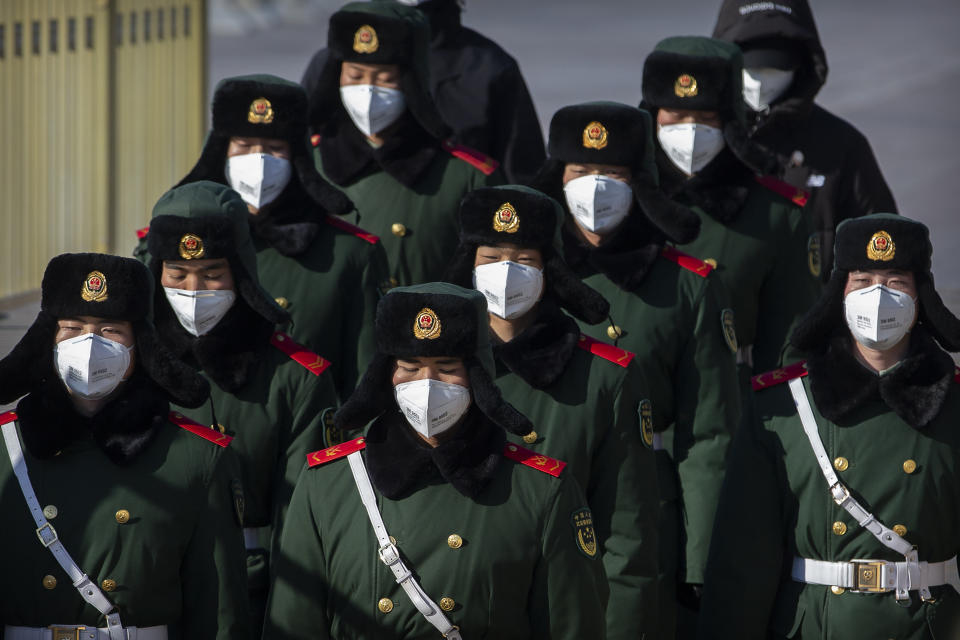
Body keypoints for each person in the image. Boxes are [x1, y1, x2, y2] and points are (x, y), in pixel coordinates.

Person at [264, 282, 608, 639]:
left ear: (479, 378)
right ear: (387, 375)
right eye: (410, 367)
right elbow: (294, 622)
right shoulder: (328, 484)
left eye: (446, 368)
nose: (427, 384)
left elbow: (573, 626)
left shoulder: (539, 490)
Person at [531, 100, 739, 637]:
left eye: (613, 174)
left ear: (640, 181)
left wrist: (701, 562)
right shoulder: (518, 278)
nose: (595, 187)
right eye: (581, 172)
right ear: (557, 178)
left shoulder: (688, 286)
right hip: (531, 511)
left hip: (645, 520)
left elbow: (710, 435)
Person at [699, 214, 960, 638]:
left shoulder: (953, 404)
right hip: (818, 625)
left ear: (922, 296)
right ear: (840, 291)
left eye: (896, 282)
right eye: (863, 280)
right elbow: (742, 561)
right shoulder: (783, 406)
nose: (878, 297)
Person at [444, 184, 661, 637]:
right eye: (490, 258)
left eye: (523, 260)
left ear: (549, 269)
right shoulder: (427, 373)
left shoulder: (605, 378)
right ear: (469, 265)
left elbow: (627, 533)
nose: (506, 273)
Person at [0, 253, 249, 639]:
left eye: (110, 330)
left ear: (141, 343)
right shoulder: (5, 448)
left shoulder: (197, 458)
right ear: (47, 339)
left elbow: (218, 613)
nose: (88, 344)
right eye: (72, 328)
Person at [143, 181, 339, 635]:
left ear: (241, 271)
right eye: (177, 273)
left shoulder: (296, 379)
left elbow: (305, 524)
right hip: (146, 599)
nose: (195, 289)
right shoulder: (130, 365)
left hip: (255, 592)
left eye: (213, 273)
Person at [141, 73, 390, 402]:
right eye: (244, 146)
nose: (258, 161)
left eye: (275, 149)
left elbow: (366, 382)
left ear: (298, 156)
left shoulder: (349, 254)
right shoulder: (159, 248)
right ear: (221, 151)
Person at [640, 36, 820, 375]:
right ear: (651, 116)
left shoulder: (779, 216)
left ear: (732, 122)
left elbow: (792, 350)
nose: (690, 130)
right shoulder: (622, 203)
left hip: (735, 403)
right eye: (676, 115)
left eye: (706, 118)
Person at [303, 1, 503, 286]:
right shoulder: (308, 164)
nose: (368, 91)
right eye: (355, 76)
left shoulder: (466, 177)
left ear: (412, 83)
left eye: (385, 79)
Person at [712, 0, 898, 281]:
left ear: (802, 63)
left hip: (812, 317)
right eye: (750, 68)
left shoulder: (842, 145)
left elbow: (884, 246)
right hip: (718, 316)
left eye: (775, 69)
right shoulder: (698, 139)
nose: (761, 82)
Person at [303, 0, 545, 184]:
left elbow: (522, 177)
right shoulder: (333, 63)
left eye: (386, 79)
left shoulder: (486, 69)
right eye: (357, 76)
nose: (367, 85)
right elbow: (297, 154)